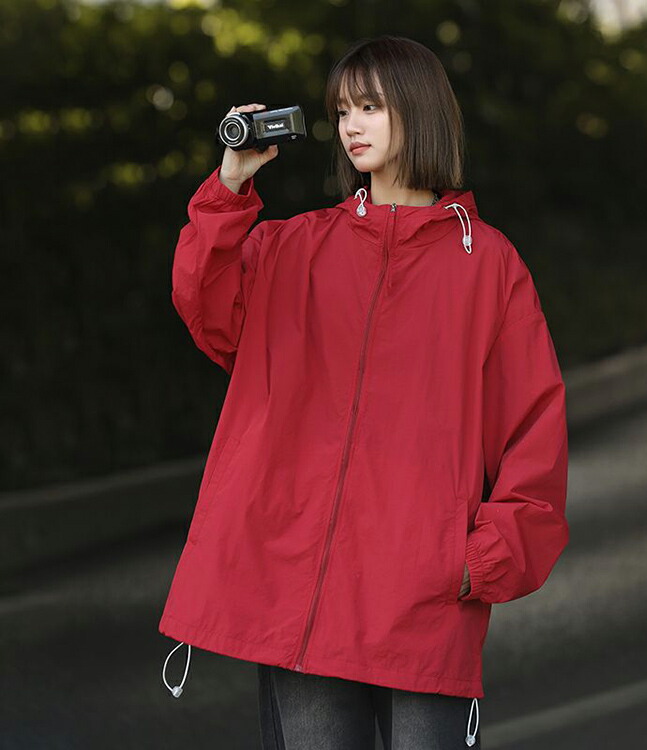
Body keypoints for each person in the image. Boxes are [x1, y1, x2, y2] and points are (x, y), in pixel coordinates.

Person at [159, 35, 569, 750]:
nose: (351, 125)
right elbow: (207, 306)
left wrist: (478, 562)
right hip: (300, 599)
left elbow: (534, 432)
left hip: (423, 601)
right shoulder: (293, 248)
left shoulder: (490, 266)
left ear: (419, 110)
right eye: (343, 110)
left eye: (370, 107)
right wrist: (229, 188)